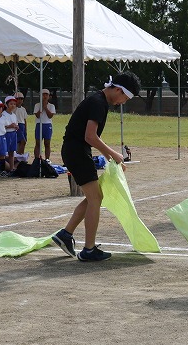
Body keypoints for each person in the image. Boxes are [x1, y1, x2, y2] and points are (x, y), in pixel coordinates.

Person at [51, 71, 141, 262]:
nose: (123, 102)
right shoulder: (98, 103)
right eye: (124, 97)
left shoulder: (100, 101)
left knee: (95, 196)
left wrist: (110, 158)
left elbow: (91, 138)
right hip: (76, 152)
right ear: (117, 90)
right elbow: (90, 137)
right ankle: (88, 250)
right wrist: (114, 154)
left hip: (76, 151)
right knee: (96, 198)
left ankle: (65, 235)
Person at [33, 89, 56, 161]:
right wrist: (42, 107)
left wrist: (45, 107)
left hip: (47, 125)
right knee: (38, 143)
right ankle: (37, 159)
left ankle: (47, 159)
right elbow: (37, 115)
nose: (45, 96)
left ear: (49, 96)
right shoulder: (37, 105)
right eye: (43, 94)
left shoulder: (51, 106)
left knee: (47, 143)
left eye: (46, 95)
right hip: (39, 124)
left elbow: (50, 116)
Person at [3, 95, 20, 173]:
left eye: (14, 104)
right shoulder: (3, 114)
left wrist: (16, 126)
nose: (13, 105)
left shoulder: (13, 115)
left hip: (13, 134)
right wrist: (10, 126)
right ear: (6, 105)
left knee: (12, 152)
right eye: (11, 104)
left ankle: (12, 168)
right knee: (4, 152)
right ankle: (3, 167)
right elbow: (2, 125)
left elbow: (16, 124)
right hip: (6, 134)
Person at [14, 91, 29, 156]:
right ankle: (19, 155)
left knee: (22, 141)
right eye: (18, 99)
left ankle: (21, 154)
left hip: (22, 126)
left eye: (21, 99)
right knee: (23, 141)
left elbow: (24, 119)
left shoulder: (23, 109)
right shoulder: (14, 108)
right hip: (17, 125)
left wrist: (25, 129)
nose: (19, 101)